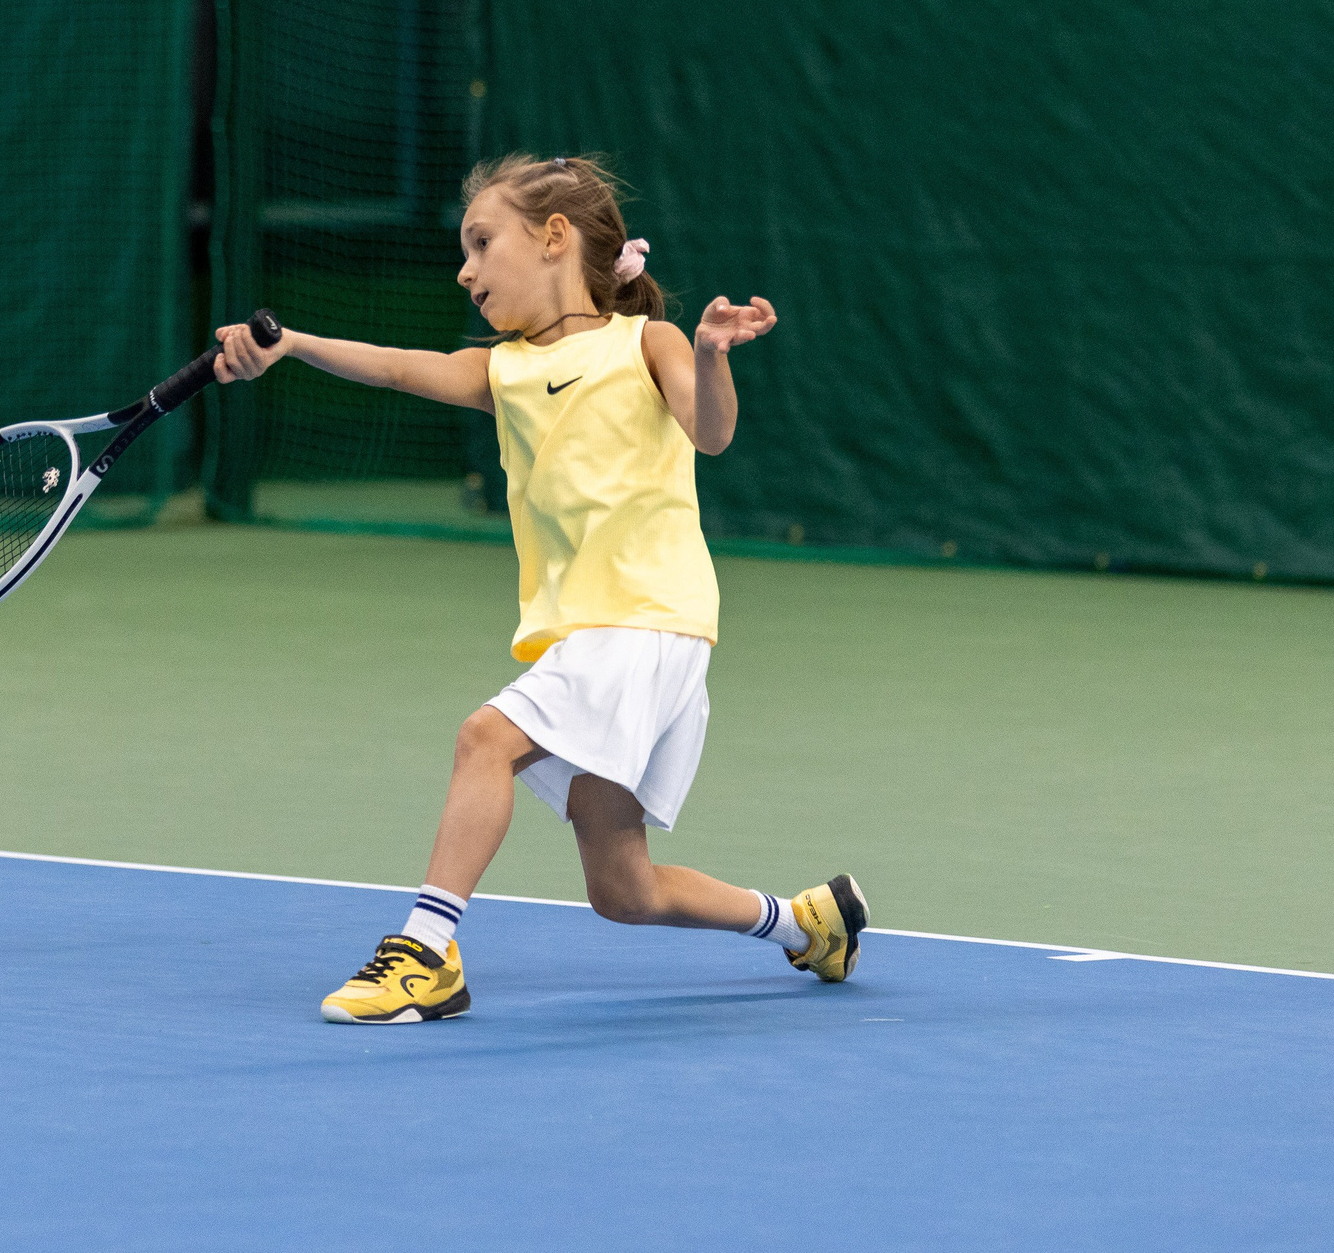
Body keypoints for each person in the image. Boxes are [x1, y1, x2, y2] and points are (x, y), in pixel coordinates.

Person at [211, 153, 866, 1023]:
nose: (465, 268)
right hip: (602, 636)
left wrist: (711, 355)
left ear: (555, 238)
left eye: (482, 243)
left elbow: (711, 435)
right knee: (623, 889)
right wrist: (290, 344)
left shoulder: (648, 343)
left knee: (485, 739)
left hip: (646, 621)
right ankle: (807, 926)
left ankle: (424, 955)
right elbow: (399, 365)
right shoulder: (506, 370)